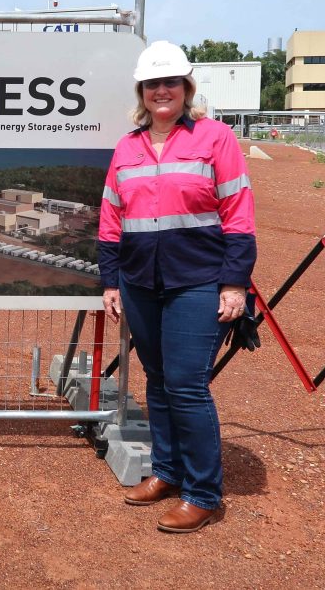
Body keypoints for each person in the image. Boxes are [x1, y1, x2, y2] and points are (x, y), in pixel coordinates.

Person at [98, 41, 256, 534]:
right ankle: (165, 472)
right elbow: (111, 217)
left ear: (186, 88)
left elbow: (238, 213)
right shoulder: (128, 146)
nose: (161, 92)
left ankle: (203, 492)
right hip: (140, 282)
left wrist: (234, 284)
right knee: (157, 380)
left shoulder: (215, 138)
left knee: (187, 387)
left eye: (170, 83)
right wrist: (111, 281)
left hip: (197, 282)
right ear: (142, 93)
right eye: (152, 84)